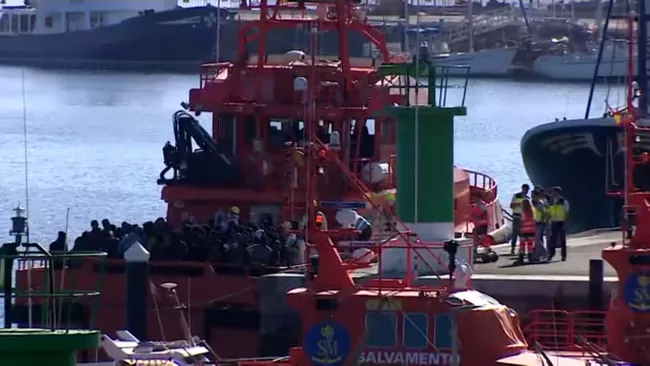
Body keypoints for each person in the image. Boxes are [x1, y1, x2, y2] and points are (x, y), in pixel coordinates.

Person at [548, 187, 569, 262]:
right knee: (552, 239)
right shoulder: (551, 201)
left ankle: (563, 255)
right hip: (553, 221)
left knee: (562, 239)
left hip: (561, 222)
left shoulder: (563, 201)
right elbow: (549, 211)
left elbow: (566, 211)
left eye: (554, 192)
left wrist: (564, 220)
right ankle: (551, 254)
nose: (553, 193)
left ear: (558, 192)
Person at [509, 184, 530, 254]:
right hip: (516, 216)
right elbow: (511, 205)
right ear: (522, 189)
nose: (526, 191)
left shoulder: (528, 198)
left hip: (524, 217)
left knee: (523, 233)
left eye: (527, 190)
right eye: (525, 189)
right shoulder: (516, 196)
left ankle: (523, 248)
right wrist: (519, 204)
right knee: (515, 232)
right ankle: (513, 248)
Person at [531, 188, 549, 261]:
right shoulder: (532, 203)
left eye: (534, 196)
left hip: (539, 223)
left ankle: (540, 254)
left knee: (537, 240)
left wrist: (544, 222)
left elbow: (544, 213)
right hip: (533, 223)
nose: (533, 197)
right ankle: (541, 253)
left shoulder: (540, 203)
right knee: (536, 240)